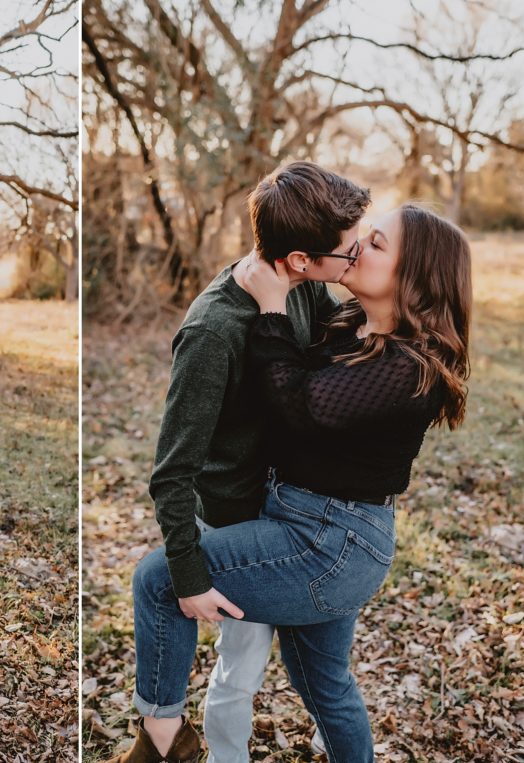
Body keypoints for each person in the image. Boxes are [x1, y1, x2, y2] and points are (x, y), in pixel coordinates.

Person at [105, 203, 471, 763]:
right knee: (322, 684)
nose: (356, 247)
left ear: (413, 275)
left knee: (159, 580)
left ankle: (162, 743)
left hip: (330, 542)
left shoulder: (409, 367)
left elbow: (299, 404)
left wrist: (272, 307)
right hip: (307, 524)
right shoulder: (350, 322)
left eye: (375, 243)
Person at [147, 162, 370, 762]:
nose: (357, 259)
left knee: (327, 668)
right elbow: (171, 470)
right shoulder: (215, 330)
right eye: (348, 252)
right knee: (240, 668)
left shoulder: (310, 292)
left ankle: (338, 740)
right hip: (239, 524)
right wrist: (190, 576)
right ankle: (225, 756)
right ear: (300, 257)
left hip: (304, 516)